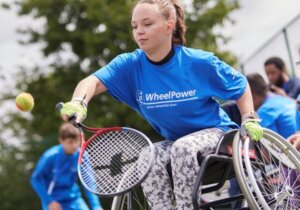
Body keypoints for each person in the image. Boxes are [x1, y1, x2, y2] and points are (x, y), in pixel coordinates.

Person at [58, 0, 263, 209]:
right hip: (175, 141)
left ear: (168, 26)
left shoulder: (197, 62)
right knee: (149, 156)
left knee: (183, 148)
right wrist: (78, 102)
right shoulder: (129, 66)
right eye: (135, 26)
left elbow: (239, 84)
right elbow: (91, 82)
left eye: (147, 24)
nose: (139, 31)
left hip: (217, 135)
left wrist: (248, 118)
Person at [30, 123, 104, 210]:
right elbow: (35, 179)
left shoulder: (82, 155)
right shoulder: (50, 156)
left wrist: (96, 206)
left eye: (77, 141)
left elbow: (88, 182)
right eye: (70, 142)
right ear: (61, 141)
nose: (74, 145)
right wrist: (49, 201)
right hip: (54, 201)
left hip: (74, 199)